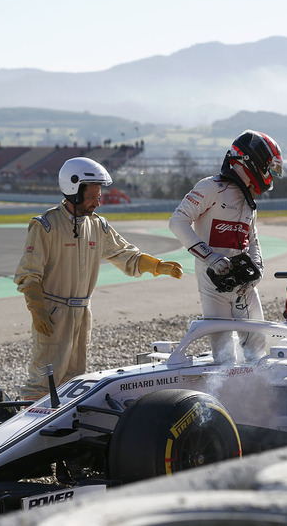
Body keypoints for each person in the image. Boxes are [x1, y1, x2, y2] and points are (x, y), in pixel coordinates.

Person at [14, 157, 183, 400]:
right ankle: (23, 427)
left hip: (83, 312)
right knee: (43, 382)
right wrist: (37, 309)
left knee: (75, 380)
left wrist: (157, 266)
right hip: (53, 314)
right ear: (73, 191)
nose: (98, 202)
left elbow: (126, 254)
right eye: (93, 197)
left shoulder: (98, 226)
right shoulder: (46, 226)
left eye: (99, 196)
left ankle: (64, 429)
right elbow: (29, 275)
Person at [169, 130, 282, 364]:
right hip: (212, 284)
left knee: (257, 351)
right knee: (223, 357)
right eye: (268, 167)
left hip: (245, 285)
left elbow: (253, 240)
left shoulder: (250, 202)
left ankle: (259, 397)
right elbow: (177, 221)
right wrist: (210, 257)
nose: (270, 174)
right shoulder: (211, 187)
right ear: (252, 160)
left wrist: (257, 271)